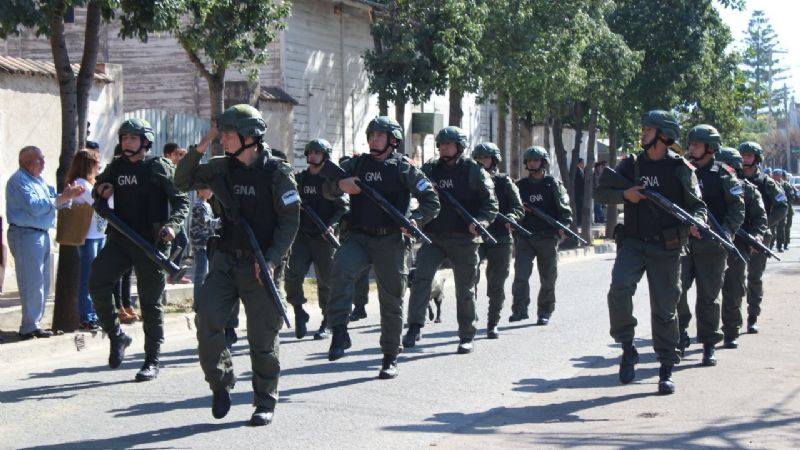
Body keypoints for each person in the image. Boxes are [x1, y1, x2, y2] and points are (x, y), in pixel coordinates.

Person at [175, 104, 300, 426]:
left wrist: (272, 260)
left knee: (262, 337)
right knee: (207, 319)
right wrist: (204, 141)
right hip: (225, 261)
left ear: (249, 137)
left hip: (261, 266)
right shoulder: (219, 167)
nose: (224, 140)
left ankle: (264, 401)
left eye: (228, 134)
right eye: (223, 134)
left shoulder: (277, 173)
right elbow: (182, 180)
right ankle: (220, 382)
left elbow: (290, 221)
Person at [595, 110, 707, 395]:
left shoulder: (681, 168)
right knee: (619, 289)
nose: (643, 133)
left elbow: (697, 206)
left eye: (648, 129)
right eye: (643, 128)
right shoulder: (631, 165)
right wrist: (625, 195)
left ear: (663, 135)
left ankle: (666, 368)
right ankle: (627, 347)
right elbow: (601, 192)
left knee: (665, 309)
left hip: (667, 248)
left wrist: (698, 222)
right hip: (633, 243)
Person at [324, 116, 439, 379]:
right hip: (359, 237)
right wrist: (340, 185)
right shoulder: (355, 164)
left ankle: (390, 356)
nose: (374, 139)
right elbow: (327, 188)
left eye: (380, 135)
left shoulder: (404, 168)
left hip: (391, 241)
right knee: (340, 270)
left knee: (391, 299)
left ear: (392, 140)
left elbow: (431, 201)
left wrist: (415, 220)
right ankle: (339, 331)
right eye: (371, 135)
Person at [89, 118, 190, 382]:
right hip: (121, 240)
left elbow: (181, 201)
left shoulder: (158, 166)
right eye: (124, 137)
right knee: (97, 283)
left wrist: (172, 226)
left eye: (133, 138)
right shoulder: (116, 166)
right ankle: (117, 336)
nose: (127, 142)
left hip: (152, 244)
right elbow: (97, 189)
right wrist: (101, 190)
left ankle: (151, 360)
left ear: (145, 141)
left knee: (150, 304)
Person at [404, 126, 498, 354]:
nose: (444, 148)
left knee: (465, 290)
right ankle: (415, 326)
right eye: (442, 144)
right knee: (421, 280)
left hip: (464, 239)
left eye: (449, 144)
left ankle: (466, 335)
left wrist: (481, 222)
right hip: (433, 237)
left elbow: (490, 205)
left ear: (460, 147)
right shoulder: (429, 169)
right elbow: (412, 188)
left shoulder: (474, 171)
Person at [676, 125, 744, 366]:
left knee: (708, 298)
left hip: (713, 245)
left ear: (710, 148)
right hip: (684, 243)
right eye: (691, 143)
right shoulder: (682, 170)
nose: (692, 148)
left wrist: (725, 231)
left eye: (697, 144)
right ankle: (680, 333)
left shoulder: (724, 174)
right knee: (676, 292)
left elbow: (737, 208)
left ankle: (708, 344)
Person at [6, 146, 85, 339]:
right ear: (26, 162)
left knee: (42, 282)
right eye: (39, 160)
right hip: (25, 234)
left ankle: (35, 324)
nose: (43, 163)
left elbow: (52, 201)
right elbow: (35, 207)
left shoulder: (38, 180)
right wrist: (63, 198)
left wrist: (67, 197)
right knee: (32, 282)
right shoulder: (19, 181)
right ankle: (28, 326)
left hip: (41, 233)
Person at [284, 138, 348, 340]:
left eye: (317, 153)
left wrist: (332, 226)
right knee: (292, 276)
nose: (312, 155)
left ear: (325, 156)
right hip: (302, 236)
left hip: (324, 238)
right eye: (310, 152)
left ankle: (327, 321)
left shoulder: (331, 182)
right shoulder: (300, 179)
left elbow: (343, 207)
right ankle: (299, 311)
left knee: (326, 282)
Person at [509, 146, 572, 325]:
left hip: (547, 237)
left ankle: (545, 311)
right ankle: (519, 310)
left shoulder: (553, 184)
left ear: (543, 162)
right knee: (521, 276)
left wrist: (564, 227)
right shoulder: (520, 186)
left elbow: (565, 210)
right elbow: (512, 207)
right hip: (525, 237)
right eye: (529, 160)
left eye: (535, 160)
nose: (532, 163)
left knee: (548, 278)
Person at [471, 142, 523, 338]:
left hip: (500, 237)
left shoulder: (504, 182)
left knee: (497, 282)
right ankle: (470, 319)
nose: (481, 161)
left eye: (485, 158)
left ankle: (493, 322)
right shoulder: (469, 180)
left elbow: (518, 207)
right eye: (478, 158)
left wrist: (512, 217)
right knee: (469, 279)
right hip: (476, 237)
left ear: (494, 160)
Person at [717, 148, 767, 348]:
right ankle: (690, 331)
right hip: (707, 245)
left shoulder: (747, 189)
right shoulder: (706, 186)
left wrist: (756, 236)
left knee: (733, 289)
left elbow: (760, 219)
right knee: (705, 293)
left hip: (737, 246)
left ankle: (731, 330)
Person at [737, 142, 788, 334]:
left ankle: (752, 316)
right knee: (734, 278)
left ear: (757, 158)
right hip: (737, 234)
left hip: (759, 236)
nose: (745, 159)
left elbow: (782, 207)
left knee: (755, 277)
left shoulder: (767, 183)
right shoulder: (733, 178)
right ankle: (733, 318)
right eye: (742, 156)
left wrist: (764, 224)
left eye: (749, 156)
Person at [66, 149, 108, 331]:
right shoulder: (81, 183)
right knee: (88, 278)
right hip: (88, 237)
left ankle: (95, 314)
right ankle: (87, 317)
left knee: (97, 277)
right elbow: (98, 202)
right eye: (97, 163)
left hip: (99, 235)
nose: (100, 166)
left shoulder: (91, 183)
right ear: (88, 165)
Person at [163, 143, 191, 283]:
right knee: (180, 241)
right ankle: (171, 271)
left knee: (182, 241)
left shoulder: (175, 169)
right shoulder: (164, 170)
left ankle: (173, 271)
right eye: (177, 154)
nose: (180, 157)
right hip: (167, 215)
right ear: (167, 155)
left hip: (175, 215)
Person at [574, 158, 585, 225]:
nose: (584, 164)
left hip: (580, 193)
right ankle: (579, 220)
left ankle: (580, 220)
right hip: (578, 192)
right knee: (579, 207)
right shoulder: (577, 171)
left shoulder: (580, 170)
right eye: (583, 163)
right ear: (579, 163)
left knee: (580, 206)